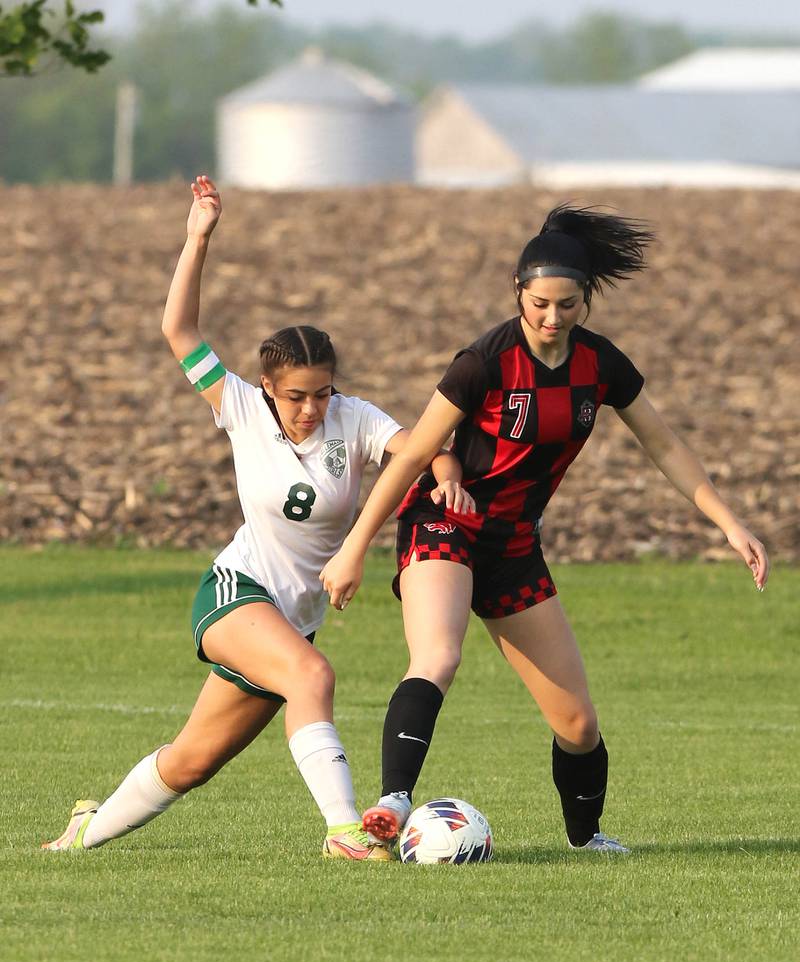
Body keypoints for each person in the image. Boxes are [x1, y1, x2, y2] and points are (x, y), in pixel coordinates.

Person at [43, 175, 473, 860]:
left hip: (290, 619)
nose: (312, 409)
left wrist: (447, 473)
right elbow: (177, 330)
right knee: (313, 677)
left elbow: (419, 450)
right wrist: (198, 237)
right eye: (297, 395)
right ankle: (344, 834)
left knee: (191, 763)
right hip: (236, 595)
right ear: (268, 387)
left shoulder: (354, 419)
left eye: (323, 392)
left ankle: (79, 836)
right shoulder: (240, 406)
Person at [321, 204, 770, 854]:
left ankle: (586, 839)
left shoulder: (600, 365)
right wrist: (354, 549)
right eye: (538, 304)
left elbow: (665, 446)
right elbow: (416, 453)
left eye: (566, 305)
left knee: (579, 723)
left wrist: (730, 523)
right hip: (445, 523)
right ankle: (393, 802)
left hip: (513, 545)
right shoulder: (485, 361)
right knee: (439, 656)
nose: (551, 318)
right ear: (518, 294)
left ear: (586, 300)